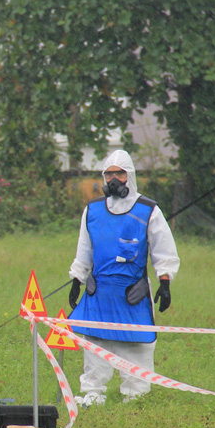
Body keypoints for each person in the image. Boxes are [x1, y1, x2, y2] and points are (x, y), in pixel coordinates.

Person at [68, 150, 180, 407]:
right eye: (109, 174)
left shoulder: (148, 210)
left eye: (119, 173)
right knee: (95, 342)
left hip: (132, 293)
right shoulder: (93, 211)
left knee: (135, 344)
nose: (114, 179)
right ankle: (93, 393)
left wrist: (165, 281)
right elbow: (84, 249)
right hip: (99, 293)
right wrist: (77, 278)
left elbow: (164, 250)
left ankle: (136, 395)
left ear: (129, 176)